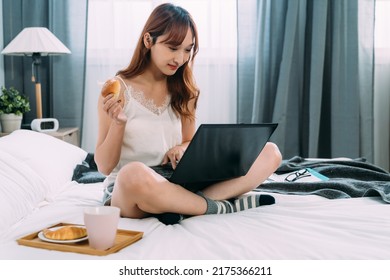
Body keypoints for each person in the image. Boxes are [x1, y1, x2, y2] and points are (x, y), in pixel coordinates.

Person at [95, 3, 282, 224]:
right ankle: (216, 206)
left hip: (175, 182)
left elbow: (188, 141)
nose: (180, 58)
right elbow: (104, 166)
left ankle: (186, 205)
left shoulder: (185, 90)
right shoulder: (117, 90)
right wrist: (118, 124)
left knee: (271, 152)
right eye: (173, 48)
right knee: (132, 173)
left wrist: (180, 148)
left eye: (187, 49)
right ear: (148, 41)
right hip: (132, 190)